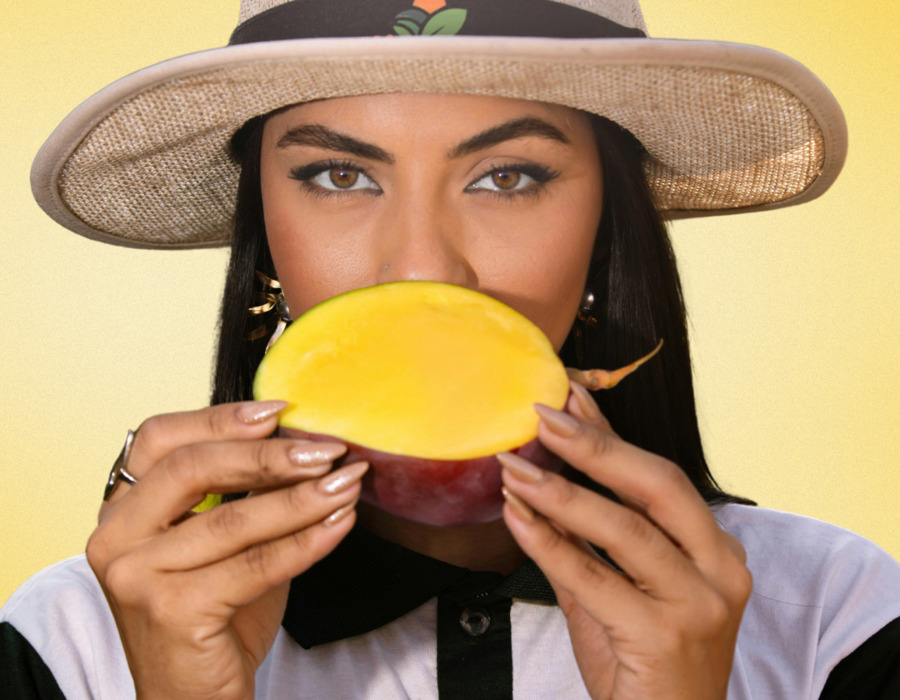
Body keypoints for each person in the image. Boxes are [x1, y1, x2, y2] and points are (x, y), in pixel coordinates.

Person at [3, 0, 899, 698]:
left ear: (605, 228)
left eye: (507, 177)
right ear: (263, 238)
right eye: (339, 175)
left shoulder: (836, 619)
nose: (424, 268)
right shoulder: (72, 643)